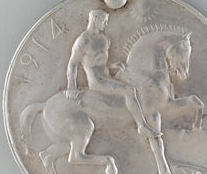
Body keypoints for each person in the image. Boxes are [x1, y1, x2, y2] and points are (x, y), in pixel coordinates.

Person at [65, 9, 160, 137]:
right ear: (95, 19)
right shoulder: (83, 41)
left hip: (108, 77)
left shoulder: (104, 39)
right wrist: (71, 86)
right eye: (104, 21)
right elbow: (73, 64)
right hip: (97, 81)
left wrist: (113, 65)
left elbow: (100, 61)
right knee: (129, 90)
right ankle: (142, 126)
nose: (105, 24)